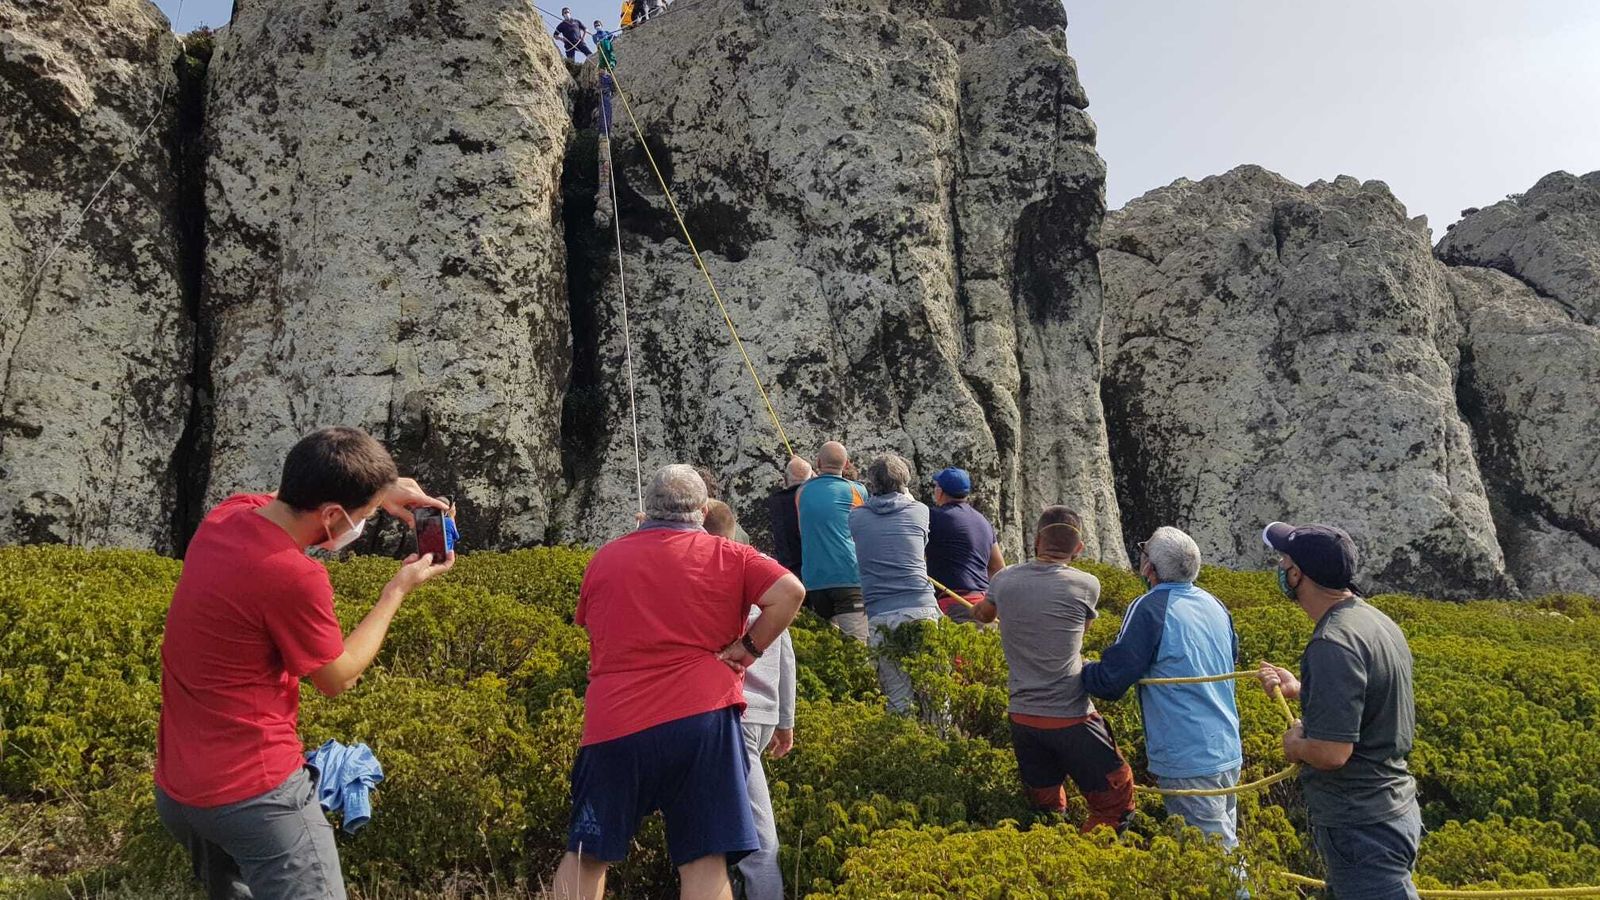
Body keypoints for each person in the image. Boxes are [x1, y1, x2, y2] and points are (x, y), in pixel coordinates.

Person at [154, 426, 455, 899]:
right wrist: (396, 592)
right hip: (255, 795)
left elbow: (292, 497)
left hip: (178, 789)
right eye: (364, 515)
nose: (364, 523)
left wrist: (382, 490)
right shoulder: (295, 575)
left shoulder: (227, 515)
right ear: (333, 514)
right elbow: (338, 677)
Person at [551, 465, 805, 900]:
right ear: (702, 511)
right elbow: (791, 592)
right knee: (704, 858)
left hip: (615, 722)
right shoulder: (731, 555)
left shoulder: (605, 559)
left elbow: (593, 626)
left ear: (646, 511)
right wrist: (749, 648)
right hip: (703, 719)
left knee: (587, 853)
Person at [1257, 521, 1420, 900]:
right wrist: (1303, 690)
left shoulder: (1331, 643)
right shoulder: (1374, 621)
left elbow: (1332, 753)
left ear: (1297, 574)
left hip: (1361, 826)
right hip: (1392, 810)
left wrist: (1295, 745)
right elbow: (1369, 699)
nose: (1280, 568)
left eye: (1284, 561)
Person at [971, 507, 1134, 831]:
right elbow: (1081, 633)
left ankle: (1050, 853)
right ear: (1079, 548)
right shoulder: (1087, 584)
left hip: (1022, 717)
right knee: (1116, 807)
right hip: (1071, 716)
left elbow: (985, 615)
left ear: (1036, 541)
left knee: (1046, 811)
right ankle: (1090, 857)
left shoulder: (1003, 580)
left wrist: (981, 607)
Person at [1080, 527, 1243, 846]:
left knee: (1213, 858)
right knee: (1223, 845)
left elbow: (1111, 682)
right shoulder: (1215, 604)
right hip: (1226, 746)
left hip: (1187, 755)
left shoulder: (1149, 607)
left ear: (1149, 568)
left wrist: (1080, 668)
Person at [705, 499, 796, 900]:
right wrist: (785, 719)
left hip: (733, 715)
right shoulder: (764, 574)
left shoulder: (713, 576)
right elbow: (786, 655)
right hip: (763, 714)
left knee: (756, 834)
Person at [848, 454, 942, 715]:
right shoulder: (919, 511)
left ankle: (903, 739)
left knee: (898, 698)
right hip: (919, 606)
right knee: (935, 693)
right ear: (905, 482)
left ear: (872, 484)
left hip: (880, 613)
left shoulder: (856, 518)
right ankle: (941, 739)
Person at [795, 441, 870, 643]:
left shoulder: (801, 492)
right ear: (846, 465)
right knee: (857, 647)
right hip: (848, 576)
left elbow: (803, 529)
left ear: (818, 462)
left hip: (814, 580)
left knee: (826, 648)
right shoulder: (858, 491)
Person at [924, 466, 1003, 624]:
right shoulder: (983, 522)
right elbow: (998, 567)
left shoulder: (932, 518)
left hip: (954, 605)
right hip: (983, 606)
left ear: (940, 492)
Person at [764, 456, 813, 573]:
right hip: (815, 565)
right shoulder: (815, 497)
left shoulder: (777, 501)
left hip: (789, 569)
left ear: (785, 479)